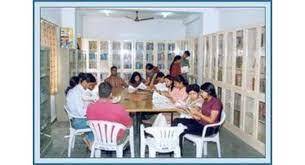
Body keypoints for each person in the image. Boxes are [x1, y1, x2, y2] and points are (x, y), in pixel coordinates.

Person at [172, 82, 223, 150]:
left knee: (181, 131)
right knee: (176, 120)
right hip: (201, 123)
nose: (201, 94)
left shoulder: (216, 103)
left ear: (209, 92)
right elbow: (200, 116)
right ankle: (171, 142)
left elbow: (211, 120)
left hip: (208, 129)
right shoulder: (206, 100)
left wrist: (198, 114)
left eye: (202, 92)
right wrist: (194, 114)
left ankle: (178, 152)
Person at [65, 73, 97, 148]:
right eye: (90, 85)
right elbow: (81, 112)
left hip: (79, 118)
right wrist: (92, 108)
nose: (91, 87)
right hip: (78, 121)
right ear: (85, 82)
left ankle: (90, 140)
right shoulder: (76, 93)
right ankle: (92, 144)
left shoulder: (80, 90)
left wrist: (92, 102)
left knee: (99, 119)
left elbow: (87, 102)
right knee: (98, 123)